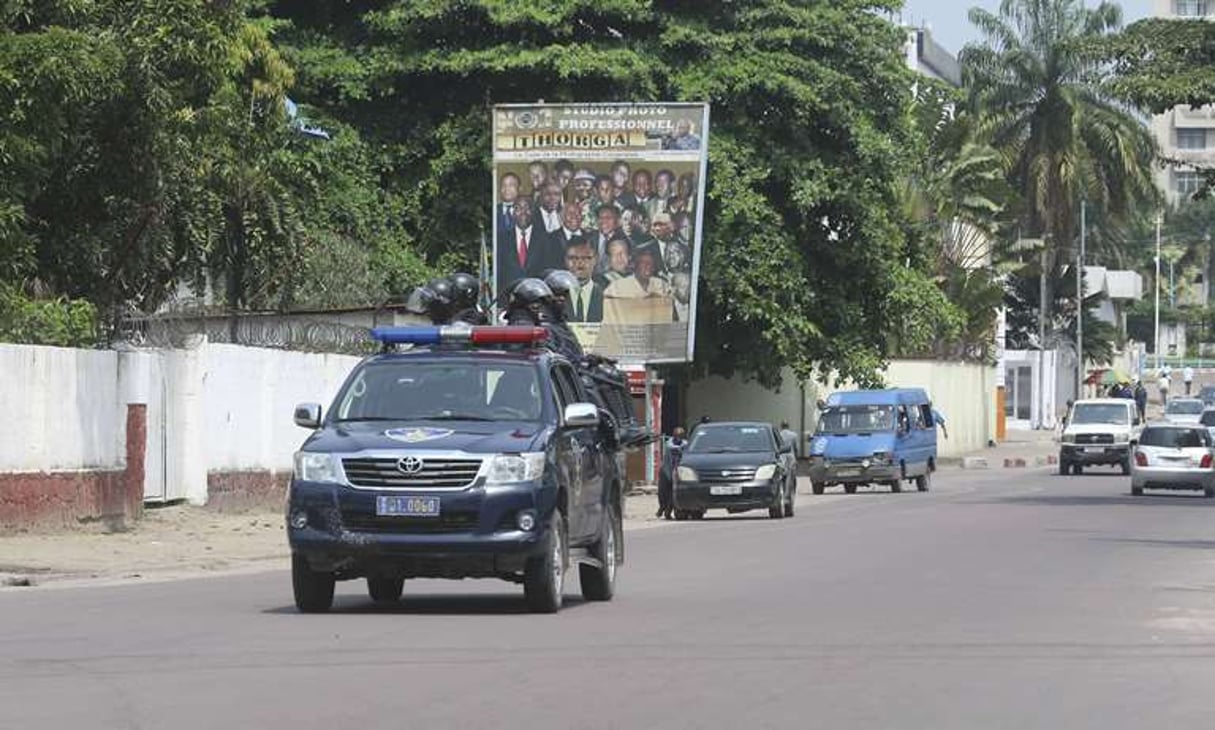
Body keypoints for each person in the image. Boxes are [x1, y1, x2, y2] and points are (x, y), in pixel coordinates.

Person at [604, 244, 671, 300]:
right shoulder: (618, 286)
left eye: (651, 263)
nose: (648, 266)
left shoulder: (661, 284)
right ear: (635, 265)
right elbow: (606, 300)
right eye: (643, 263)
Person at [564, 238, 605, 323]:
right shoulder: (554, 298)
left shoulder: (607, 295)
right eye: (573, 258)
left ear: (596, 260)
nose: (580, 262)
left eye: (586, 258)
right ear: (565, 260)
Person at [657, 426, 688, 519]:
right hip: (666, 470)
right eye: (676, 436)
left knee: (672, 493)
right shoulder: (669, 443)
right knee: (663, 492)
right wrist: (681, 448)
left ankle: (668, 511)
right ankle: (662, 507)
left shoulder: (685, 443)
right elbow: (672, 447)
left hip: (677, 471)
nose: (678, 438)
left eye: (680, 436)